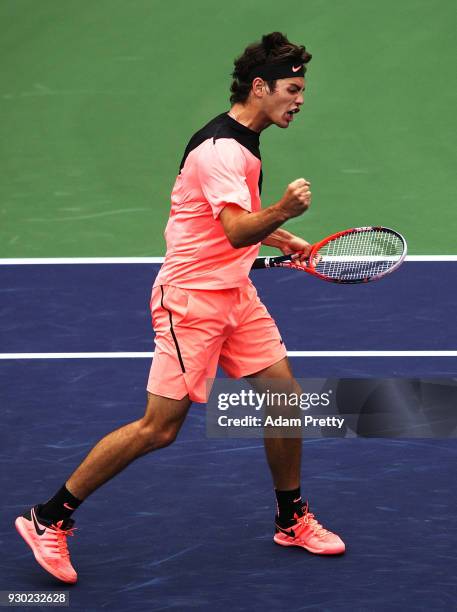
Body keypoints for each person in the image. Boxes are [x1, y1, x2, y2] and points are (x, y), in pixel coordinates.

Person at [15, 31, 345, 585]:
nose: (300, 99)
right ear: (260, 87)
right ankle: (48, 519)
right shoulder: (222, 150)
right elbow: (237, 228)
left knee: (284, 398)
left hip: (234, 295)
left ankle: (290, 518)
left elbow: (221, 221)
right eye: (292, 88)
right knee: (158, 428)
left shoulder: (241, 140)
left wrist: (278, 234)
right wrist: (282, 211)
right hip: (190, 303)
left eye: (302, 89)